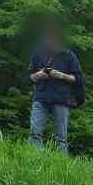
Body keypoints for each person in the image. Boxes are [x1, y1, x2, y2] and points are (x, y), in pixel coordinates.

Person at [28, 23, 82, 154]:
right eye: (47, 37)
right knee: (35, 132)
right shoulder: (38, 54)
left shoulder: (69, 55)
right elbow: (30, 77)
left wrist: (61, 75)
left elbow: (78, 79)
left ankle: (61, 163)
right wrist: (39, 75)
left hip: (61, 99)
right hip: (41, 97)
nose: (49, 40)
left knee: (61, 137)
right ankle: (35, 158)